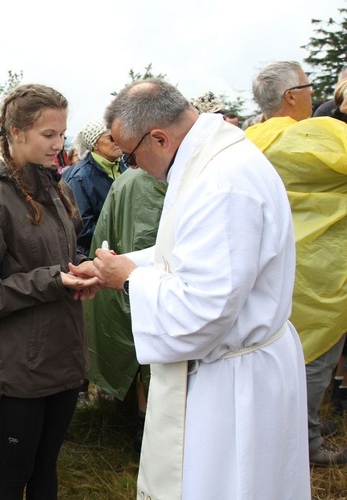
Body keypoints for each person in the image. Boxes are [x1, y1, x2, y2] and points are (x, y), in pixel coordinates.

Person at [81, 78, 309, 498]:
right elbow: (188, 252)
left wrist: (129, 278)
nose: (132, 168)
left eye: (131, 156)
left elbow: (203, 308)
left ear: (159, 138)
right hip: (235, 366)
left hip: (235, 383)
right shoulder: (209, 159)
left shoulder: (220, 181)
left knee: (229, 484)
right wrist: (126, 263)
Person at [0, 83, 97, 499]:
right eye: (48, 135)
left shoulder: (59, 190)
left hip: (65, 355)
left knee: (47, 468)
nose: (59, 144)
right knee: (17, 471)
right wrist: (53, 281)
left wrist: (83, 269)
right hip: (22, 367)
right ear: (15, 132)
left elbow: (58, 260)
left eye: (62, 134)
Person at [247, 60, 347, 466]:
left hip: (274, 268)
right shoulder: (313, 136)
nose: (314, 93)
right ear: (292, 96)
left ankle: (284, 435)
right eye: (309, 86)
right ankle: (303, 444)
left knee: (280, 359)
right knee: (315, 361)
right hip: (321, 273)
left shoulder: (248, 140)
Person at [84, 166, 167, 457]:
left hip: (132, 279)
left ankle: (143, 427)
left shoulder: (126, 179)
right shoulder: (163, 178)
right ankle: (147, 432)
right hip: (145, 285)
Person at [62, 120, 125, 255]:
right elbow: (82, 228)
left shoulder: (126, 168)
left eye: (120, 135)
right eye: (112, 138)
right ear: (95, 144)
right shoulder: (80, 178)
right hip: (93, 255)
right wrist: (122, 237)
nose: (118, 141)